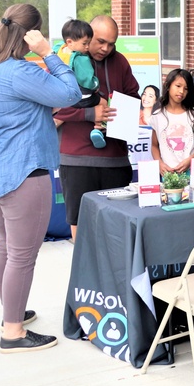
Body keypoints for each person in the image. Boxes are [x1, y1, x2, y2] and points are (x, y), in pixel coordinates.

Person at [0, 4, 82, 352]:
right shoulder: (19, 71)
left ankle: (11, 314)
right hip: (22, 173)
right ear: (31, 33)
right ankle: (13, 333)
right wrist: (49, 53)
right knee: (22, 256)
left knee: (6, 247)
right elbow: (70, 94)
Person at [54, 16, 140, 241]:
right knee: (81, 225)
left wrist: (117, 107)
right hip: (77, 160)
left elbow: (133, 97)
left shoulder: (119, 61)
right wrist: (90, 113)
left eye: (112, 43)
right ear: (86, 37)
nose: (106, 48)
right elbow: (51, 108)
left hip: (116, 159)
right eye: (101, 41)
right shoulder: (65, 61)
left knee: (117, 229)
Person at [150, 69, 194, 175]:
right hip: (167, 173)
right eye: (178, 86)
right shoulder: (158, 116)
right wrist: (159, 163)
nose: (181, 91)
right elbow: (154, 145)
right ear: (168, 85)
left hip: (191, 172)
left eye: (186, 89)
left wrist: (190, 160)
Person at [58, 19, 106, 148]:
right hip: (82, 96)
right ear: (70, 42)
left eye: (89, 43)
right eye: (85, 43)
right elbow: (87, 80)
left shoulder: (59, 52)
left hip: (63, 96)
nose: (87, 47)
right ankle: (97, 128)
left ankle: (57, 122)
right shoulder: (80, 59)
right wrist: (95, 85)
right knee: (103, 102)